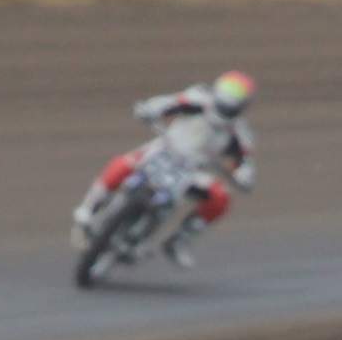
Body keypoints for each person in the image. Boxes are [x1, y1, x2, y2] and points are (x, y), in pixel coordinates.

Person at [71, 71, 257, 268]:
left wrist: (242, 175)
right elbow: (169, 102)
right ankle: (87, 211)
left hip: (193, 170)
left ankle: (180, 240)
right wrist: (149, 109)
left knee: (221, 197)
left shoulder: (240, 132)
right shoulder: (199, 99)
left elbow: (245, 162)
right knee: (122, 164)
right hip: (165, 149)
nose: (224, 109)